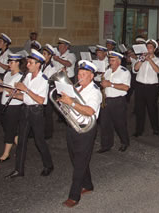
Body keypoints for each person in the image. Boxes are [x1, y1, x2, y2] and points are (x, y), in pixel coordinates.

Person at [58, 60, 102, 208]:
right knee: (77, 158)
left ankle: (74, 196)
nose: (80, 76)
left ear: (91, 76)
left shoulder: (94, 91)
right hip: (72, 126)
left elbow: (89, 111)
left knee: (79, 162)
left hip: (85, 129)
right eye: (79, 73)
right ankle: (88, 185)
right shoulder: (78, 89)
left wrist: (71, 103)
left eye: (84, 74)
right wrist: (64, 102)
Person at [5, 49, 54, 179]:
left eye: (30, 63)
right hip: (25, 110)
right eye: (28, 62)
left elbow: (41, 100)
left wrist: (25, 89)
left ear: (38, 64)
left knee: (39, 141)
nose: (27, 65)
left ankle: (48, 165)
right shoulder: (27, 76)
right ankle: (18, 169)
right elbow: (25, 97)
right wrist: (15, 95)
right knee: (21, 140)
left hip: (36, 112)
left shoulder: (43, 79)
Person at [98, 51, 131, 153]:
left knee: (120, 124)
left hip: (118, 101)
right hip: (107, 100)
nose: (110, 62)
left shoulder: (125, 72)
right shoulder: (108, 71)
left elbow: (126, 87)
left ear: (119, 62)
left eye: (112, 60)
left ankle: (124, 142)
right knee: (105, 124)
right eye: (109, 60)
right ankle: (106, 145)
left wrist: (110, 84)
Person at [0, 53, 25, 163]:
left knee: (9, 130)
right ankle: (21, 147)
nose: (9, 64)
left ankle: (6, 154)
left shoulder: (21, 76)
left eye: (11, 62)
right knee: (11, 129)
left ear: (17, 63)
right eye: (9, 62)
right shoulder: (7, 74)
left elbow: (16, 93)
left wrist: (3, 86)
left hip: (14, 106)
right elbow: (1, 90)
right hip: (4, 104)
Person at [133, 39, 159, 137]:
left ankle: (155, 128)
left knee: (152, 109)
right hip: (140, 86)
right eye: (147, 47)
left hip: (151, 87)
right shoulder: (140, 58)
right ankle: (139, 130)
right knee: (139, 109)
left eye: (150, 48)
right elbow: (135, 68)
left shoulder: (158, 60)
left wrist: (149, 60)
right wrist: (141, 60)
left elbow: (158, 71)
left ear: (154, 49)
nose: (148, 49)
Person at [41, 44, 57, 139]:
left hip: (48, 90)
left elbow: (47, 80)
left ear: (49, 56)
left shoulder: (52, 68)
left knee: (48, 112)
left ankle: (48, 132)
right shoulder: (42, 65)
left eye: (44, 54)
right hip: (42, 90)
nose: (42, 55)